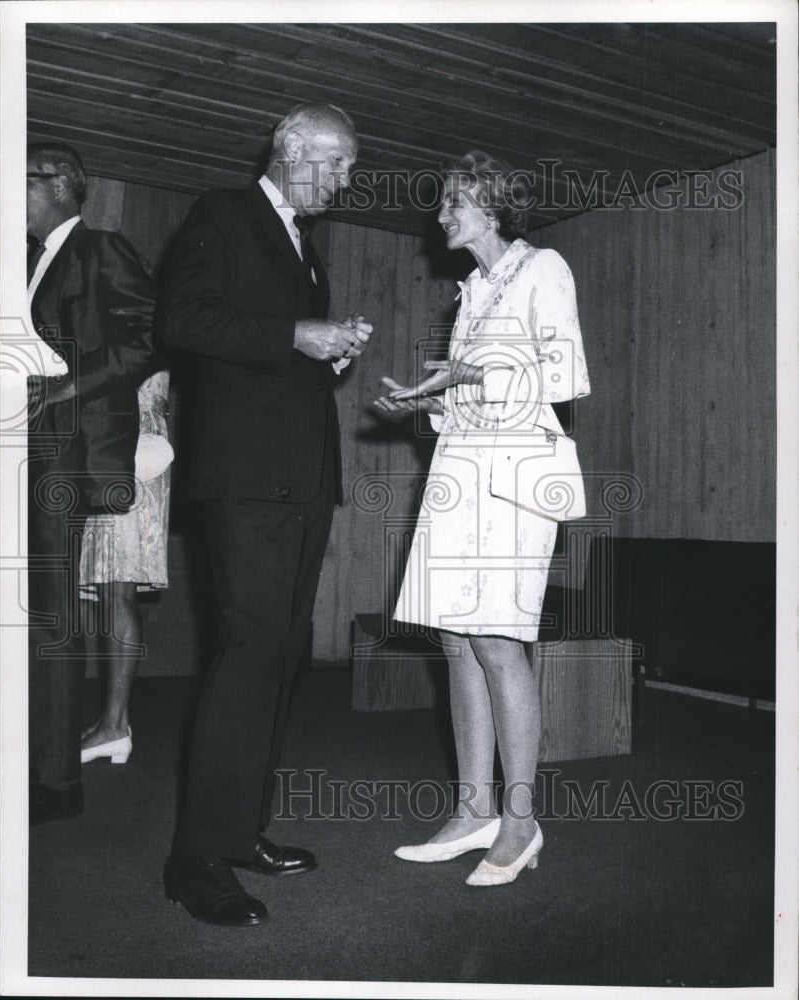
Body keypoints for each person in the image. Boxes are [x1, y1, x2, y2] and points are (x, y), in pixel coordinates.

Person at [159, 103, 372, 927]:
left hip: (301, 482)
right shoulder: (224, 213)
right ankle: (195, 860)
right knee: (249, 653)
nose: (348, 180)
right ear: (291, 151)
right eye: (340, 163)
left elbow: (276, 351)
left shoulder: (304, 248)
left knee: (282, 658)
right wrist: (296, 334)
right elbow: (180, 320)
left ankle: (240, 830)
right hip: (245, 480)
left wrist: (324, 348)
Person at [375, 150, 590, 886]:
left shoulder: (543, 269)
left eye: (454, 204)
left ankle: (523, 823)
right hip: (461, 474)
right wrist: (431, 402)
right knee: (453, 636)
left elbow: (562, 379)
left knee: (498, 641)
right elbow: (482, 396)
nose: (442, 217)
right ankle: (475, 810)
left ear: (493, 205)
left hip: (518, 480)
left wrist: (472, 372)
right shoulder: (471, 291)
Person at [26, 141, 159, 824]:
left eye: (19, 183)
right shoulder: (24, 263)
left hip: (61, 447)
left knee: (48, 612)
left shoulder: (100, 249)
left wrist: (63, 390)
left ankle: (52, 783)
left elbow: (146, 339)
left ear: (58, 186)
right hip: (19, 446)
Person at [79, 369, 172, 764]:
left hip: (128, 442)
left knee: (117, 587)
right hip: (123, 436)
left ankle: (114, 727)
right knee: (114, 586)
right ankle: (114, 722)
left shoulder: (138, 308)